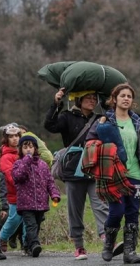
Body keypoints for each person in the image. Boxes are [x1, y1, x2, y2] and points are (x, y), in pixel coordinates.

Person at [85, 83, 140, 264]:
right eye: (122, 96)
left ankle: (130, 252)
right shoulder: (104, 121)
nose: (126, 98)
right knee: (117, 211)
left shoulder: (138, 123)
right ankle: (109, 244)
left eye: (129, 96)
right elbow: (90, 142)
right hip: (113, 174)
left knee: (133, 212)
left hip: (134, 172)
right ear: (114, 99)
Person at [43, 89, 108, 260]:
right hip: (73, 169)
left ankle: (107, 238)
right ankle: (79, 246)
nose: (92, 101)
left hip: (94, 168)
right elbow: (50, 125)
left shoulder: (100, 118)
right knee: (75, 210)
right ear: (79, 99)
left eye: (95, 98)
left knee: (101, 204)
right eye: (88, 98)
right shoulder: (67, 116)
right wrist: (56, 102)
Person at [11, 135, 61, 258]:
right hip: (26, 204)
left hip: (41, 202)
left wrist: (54, 194)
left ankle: (28, 245)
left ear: (35, 149)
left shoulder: (43, 165)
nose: (28, 149)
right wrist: (26, 161)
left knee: (37, 225)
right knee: (31, 225)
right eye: (25, 147)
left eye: (31, 147)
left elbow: (50, 181)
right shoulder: (18, 163)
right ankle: (35, 245)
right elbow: (18, 177)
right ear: (20, 149)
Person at [0, 123, 26, 254]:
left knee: (28, 220)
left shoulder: (24, 153)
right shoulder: (5, 157)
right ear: (6, 139)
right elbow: (10, 176)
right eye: (11, 136)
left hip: (28, 194)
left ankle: (28, 243)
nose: (15, 138)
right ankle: (2, 238)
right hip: (14, 194)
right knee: (14, 218)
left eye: (17, 136)